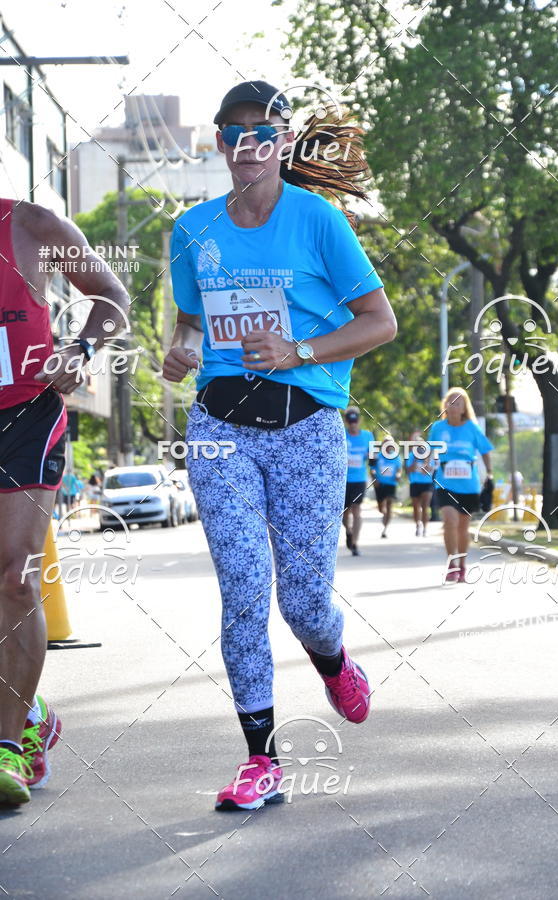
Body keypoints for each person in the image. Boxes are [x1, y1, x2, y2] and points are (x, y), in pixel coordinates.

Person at [163, 80, 397, 811]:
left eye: (260, 132)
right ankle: (260, 759)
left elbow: (380, 321)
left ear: (282, 142)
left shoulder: (318, 221)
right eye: (231, 133)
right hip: (220, 427)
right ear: (219, 142)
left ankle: (330, 656)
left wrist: (298, 350)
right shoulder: (192, 230)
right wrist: (178, 351)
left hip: (307, 429)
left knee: (301, 600)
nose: (245, 146)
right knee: (242, 591)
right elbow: (189, 326)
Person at [0, 199, 129, 805]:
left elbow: (111, 296)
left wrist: (80, 350)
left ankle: (6, 747)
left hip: (26, 416)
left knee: (16, 575)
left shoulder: (30, 226)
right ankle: (31, 714)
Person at [428, 388, 493, 583]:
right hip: (445, 482)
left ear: (464, 407)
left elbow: (485, 450)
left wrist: (489, 474)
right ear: (445, 406)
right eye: (450, 401)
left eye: (458, 402)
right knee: (449, 521)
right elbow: (430, 451)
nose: (453, 405)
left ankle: (462, 565)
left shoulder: (472, 428)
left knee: (463, 528)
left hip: (468, 484)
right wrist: (426, 462)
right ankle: (452, 564)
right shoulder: (438, 428)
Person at [343, 407, 375, 556]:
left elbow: (373, 459)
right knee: (344, 513)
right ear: (346, 421)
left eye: (355, 421)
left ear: (359, 421)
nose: (353, 425)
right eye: (350, 422)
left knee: (356, 509)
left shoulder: (368, 436)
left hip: (359, 479)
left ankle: (355, 543)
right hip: (343, 480)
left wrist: (371, 458)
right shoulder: (342, 434)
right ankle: (348, 531)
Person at [370, 436, 402, 538]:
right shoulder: (377, 456)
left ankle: (385, 529)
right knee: (381, 507)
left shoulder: (396, 457)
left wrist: (398, 475)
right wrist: (375, 478)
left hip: (391, 484)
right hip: (380, 484)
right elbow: (372, 469)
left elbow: (399, 470)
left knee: (389, 504)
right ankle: (384, 515)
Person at [406, 430, 434, 537]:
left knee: (425, 507)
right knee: (416, 507)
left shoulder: (428, 456)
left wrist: (425, 462)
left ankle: (425, 529)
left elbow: (429, 470)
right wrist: (415, 461)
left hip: (426, 483)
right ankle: (418, 525)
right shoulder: (411, 455)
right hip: (415, 483)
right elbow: (409, 470)